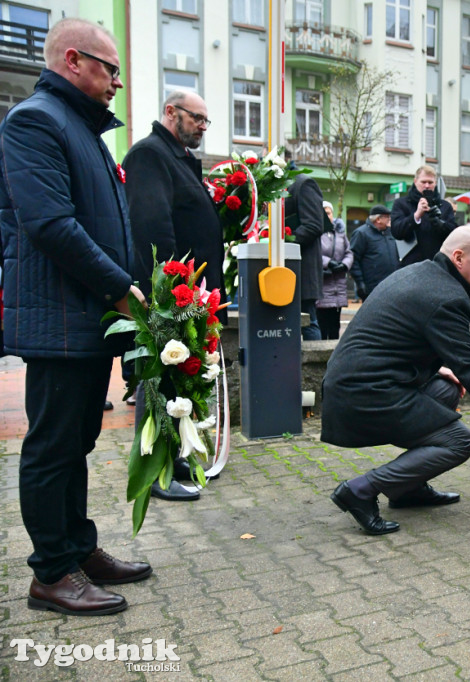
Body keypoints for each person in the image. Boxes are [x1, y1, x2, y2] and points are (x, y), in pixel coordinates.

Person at [0, 17, 152, 616]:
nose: (116, 80)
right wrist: (121, 289)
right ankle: (51, 574)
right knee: (53, 447)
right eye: (109, 68)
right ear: (72, 60)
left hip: (85, 317)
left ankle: (77, 549)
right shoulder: (35, 121)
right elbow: (52, 226)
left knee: (77, 442)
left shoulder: (83, 128)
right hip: (59, 318)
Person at [320, 226, 470, 535]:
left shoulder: (425, 273)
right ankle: (360, 490)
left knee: (446, 389)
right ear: (459, 258)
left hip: (357, 382)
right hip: (362, 393)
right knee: (459, 441)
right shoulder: (445, 297)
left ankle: (406, 488)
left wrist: (437, 369)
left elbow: (392, 339)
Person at [123, 89, 223, 503]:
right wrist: (168, 292)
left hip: (189, 294)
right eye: (196, 117)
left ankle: (175, 457)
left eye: (205, 120)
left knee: (179, 380)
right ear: (170, 112)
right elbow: (153, 228)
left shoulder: (178, 158)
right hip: (169, 294)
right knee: (159, 379)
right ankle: (155, 472)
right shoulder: (150, 154)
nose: (202, 125)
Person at [284, 173, 327, 340]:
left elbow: (314, 225)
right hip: (284, 270)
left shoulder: (303, 184)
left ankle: (318, 366)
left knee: (308, 323)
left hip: (302, 270)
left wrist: (282, 242)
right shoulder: (277, 186)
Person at [390, 165, 458, 267]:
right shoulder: (401, 203)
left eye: (430, 182)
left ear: (435, 183)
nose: (427, 186)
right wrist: (416, 216)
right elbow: (396, 232)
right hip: (411, 266)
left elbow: (454, 236)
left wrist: (439, 223)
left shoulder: (445, 206)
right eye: (423, 182)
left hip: (438, 265)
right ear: (415, 181)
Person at [318, 201, 354, 340]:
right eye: (324, 213)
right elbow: (313, 254)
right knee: (322, 324)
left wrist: (344, 265)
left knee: (335, 326)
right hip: (323, 283)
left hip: (338, 284)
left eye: (329, 213)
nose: (327, 216)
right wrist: (328, 263)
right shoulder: (315, 233)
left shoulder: (340, 234)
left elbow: (349, 252)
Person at [350, 205, 399, 301]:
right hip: (372, 287)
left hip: (391, 285)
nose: (390, 219)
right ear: (378, 219)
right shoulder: (361, 233)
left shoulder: (390, 233)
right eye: (387, 217)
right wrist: (360, 283)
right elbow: (354, 259)